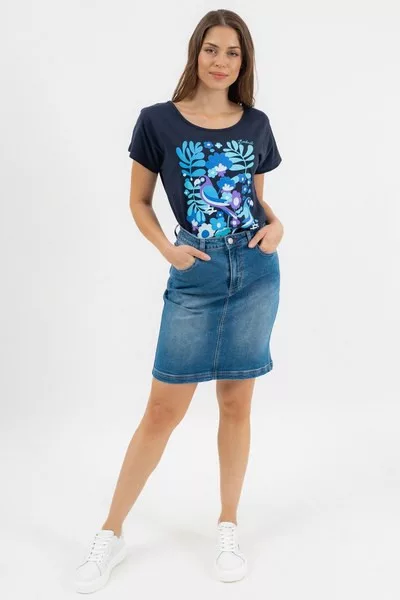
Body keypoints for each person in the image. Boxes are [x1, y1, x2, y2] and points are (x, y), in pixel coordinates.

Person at [74, 8, 284, 593]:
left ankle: (227, 525)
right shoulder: (157, 121)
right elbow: (139, 201)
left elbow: (256, 200)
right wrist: (168, 250)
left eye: (233, 53)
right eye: (212, 49)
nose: (221, 61)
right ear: (196, 52)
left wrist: (277, 226)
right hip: (196, 273)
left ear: (244, 62)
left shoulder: (256, 123)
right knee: (162, 411)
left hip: (255, 272)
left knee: (236, 404)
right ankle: (111, 532)